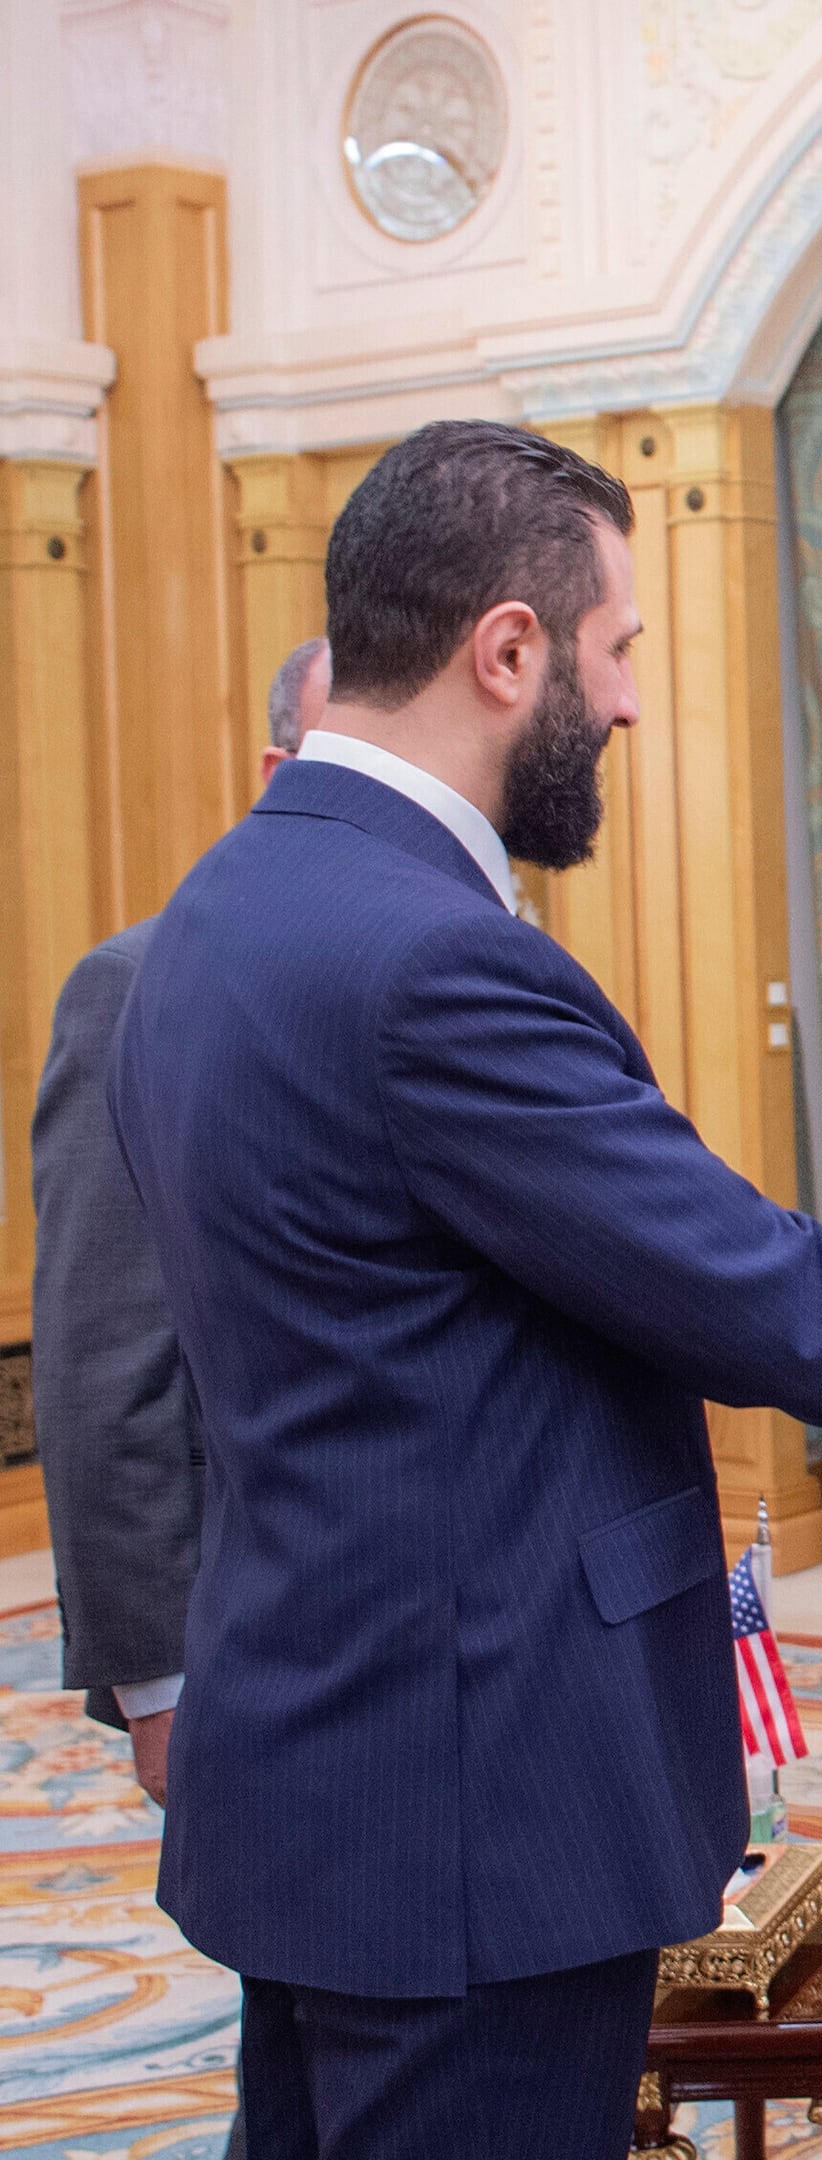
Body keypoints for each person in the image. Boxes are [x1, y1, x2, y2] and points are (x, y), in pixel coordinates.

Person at [111, 420, 822, 2158]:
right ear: (507, 649)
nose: (629, 702)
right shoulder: (435, 964)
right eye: (617, 648)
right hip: (472, 1808)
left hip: (320, 1767)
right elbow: (730, 1280)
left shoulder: (213, 914)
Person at [34, 636, 328, 1803]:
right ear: (277, 770)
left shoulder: (494, 973)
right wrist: (159, 1686)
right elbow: (104, 1365)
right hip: (257, 1631)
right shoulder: (138, 988)